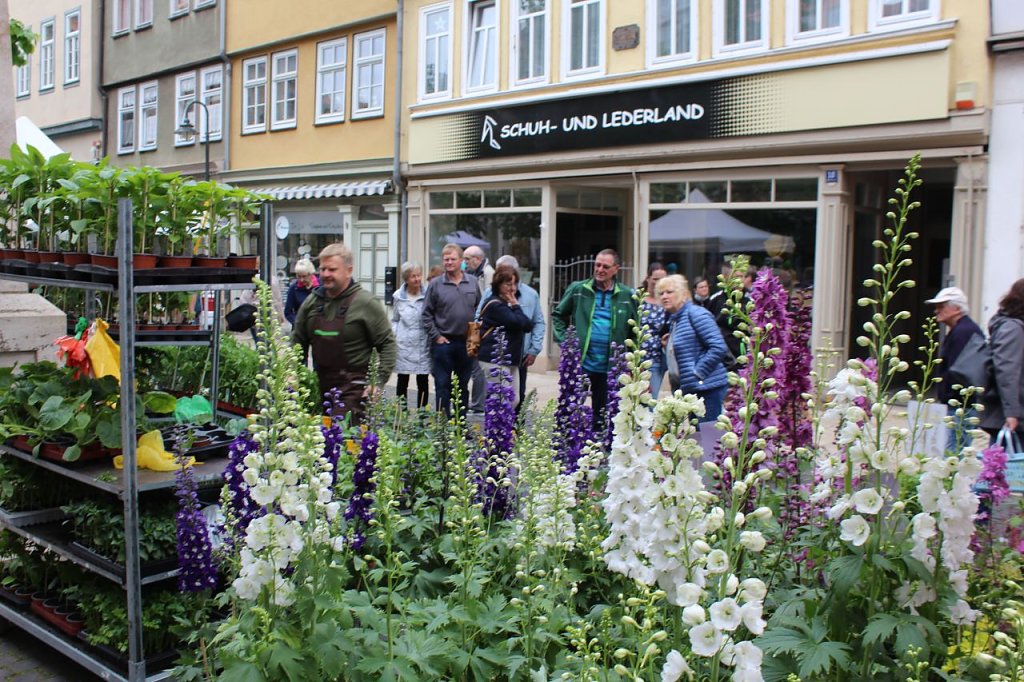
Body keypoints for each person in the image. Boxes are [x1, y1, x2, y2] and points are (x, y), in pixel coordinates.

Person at [292, 243, 396, 422]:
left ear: (349, 271)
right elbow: (297, 340)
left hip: (354, 388)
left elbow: (388, 344)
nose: (325, 274)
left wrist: (378, 382)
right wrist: (290, 371)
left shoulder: (365, 303)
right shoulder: (312, 302)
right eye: (322, 269)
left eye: (332, 269)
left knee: (342, 432)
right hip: (321, 385)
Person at [552, 248, 638, 432]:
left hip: (610, 367)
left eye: (605, 266)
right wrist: (566, 343)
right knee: (570, 409)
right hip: (581, 363)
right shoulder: (579, 289)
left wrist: (631, 363)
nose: (599, 269)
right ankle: (567, 443)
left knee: (603, 414)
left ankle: (599, 445)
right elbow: (558, 316)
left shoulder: (627, 295)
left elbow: (635, 332)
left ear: (616, 269)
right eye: (597, 265)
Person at [658, 274, 729, 423]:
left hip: (708, 388)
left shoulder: (696, 314)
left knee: (709, 435)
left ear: (683, 293)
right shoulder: (676, 319)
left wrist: (697, 373)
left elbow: (718, 347)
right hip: (693, 389)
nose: (664, 296)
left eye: (669, 292)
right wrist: (668, 346)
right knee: (696, 435)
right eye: (661, 293)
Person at [479, 255, 545, 410]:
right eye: (508, 284)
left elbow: (528, 325)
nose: (513, 288)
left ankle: (507, 425)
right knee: (500, 400)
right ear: (498, 284)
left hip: (513, 358)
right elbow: (519, 323)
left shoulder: (512, 302)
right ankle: (494, 426)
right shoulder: (495, 304)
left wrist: (514, 305)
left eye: (515, 283)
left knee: (514, 400)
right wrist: (516, 305)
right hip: (495, 359)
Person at [422, 243, 481, 416]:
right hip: (443, 343)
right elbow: (426, 314)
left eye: (452, 259)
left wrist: (476, 336)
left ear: (461, 261)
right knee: (442, 385)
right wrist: (437, 336)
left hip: (467, 343)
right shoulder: (436, 284)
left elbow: (480, 310)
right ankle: (443, 424)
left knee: (463, 385)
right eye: (446, 259)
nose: (449, 262)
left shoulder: (472, 283)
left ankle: (460, 423)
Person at [924, 286, 984, 452]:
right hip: (957, 403)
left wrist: (950, 395)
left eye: (941, 306)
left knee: (953, 452)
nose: (936, 311)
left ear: (957, 308)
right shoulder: (960, 330)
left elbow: (963, 371)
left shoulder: (963, 332)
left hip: (962, 405)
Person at [981, 278, 1024, 441]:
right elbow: (1007, 372)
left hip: (1015, 414)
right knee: (1007, 455)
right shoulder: (1013, 328)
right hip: (1013, 418)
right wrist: (1012, 413)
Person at [392, 261, 431, 409]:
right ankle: (401, 412)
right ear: (406, 279)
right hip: (404, 344)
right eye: (413, 276)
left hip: (422, 343)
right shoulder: (398, 296)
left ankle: (422, 413)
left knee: (423, 380)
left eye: (419, 275)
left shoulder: (428, 294)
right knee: (402, 379)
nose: (417, 279)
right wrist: (395, 336)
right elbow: (395, 319)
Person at [464, 245, 495, 413]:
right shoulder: (473, 274)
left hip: (480, 328)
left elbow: (487, 301)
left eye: (467, 259)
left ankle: (478, 403)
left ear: (477, 259)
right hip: (473, 326)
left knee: (477, 367)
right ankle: (478, 402)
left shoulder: (488, 274)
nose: (465, 263)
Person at [639, 262, 668, 397]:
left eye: (663, 279)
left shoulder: (666, 301)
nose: (659, 283)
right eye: (655, 279)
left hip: (656, 359)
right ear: (648, 278)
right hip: (637, 358)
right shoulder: (638, 298)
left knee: (651, 399)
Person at [284, 259, 318, 325]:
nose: (301, 280)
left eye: (304, 276)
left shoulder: (320, 286)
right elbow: (288, 312)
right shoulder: (294, 288)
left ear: (311, 274)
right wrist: (297, 322)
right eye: (299, 276)